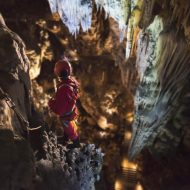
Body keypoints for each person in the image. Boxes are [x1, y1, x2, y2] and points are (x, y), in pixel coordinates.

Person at [48, 57, 80, 148]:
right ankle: (66, 139)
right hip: (71, 111)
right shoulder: (71, 82)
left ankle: (75, 144)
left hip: (67, 115)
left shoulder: (64, 88)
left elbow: (60, 110)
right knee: (70, 129)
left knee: (71, 131)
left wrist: (51, 103)